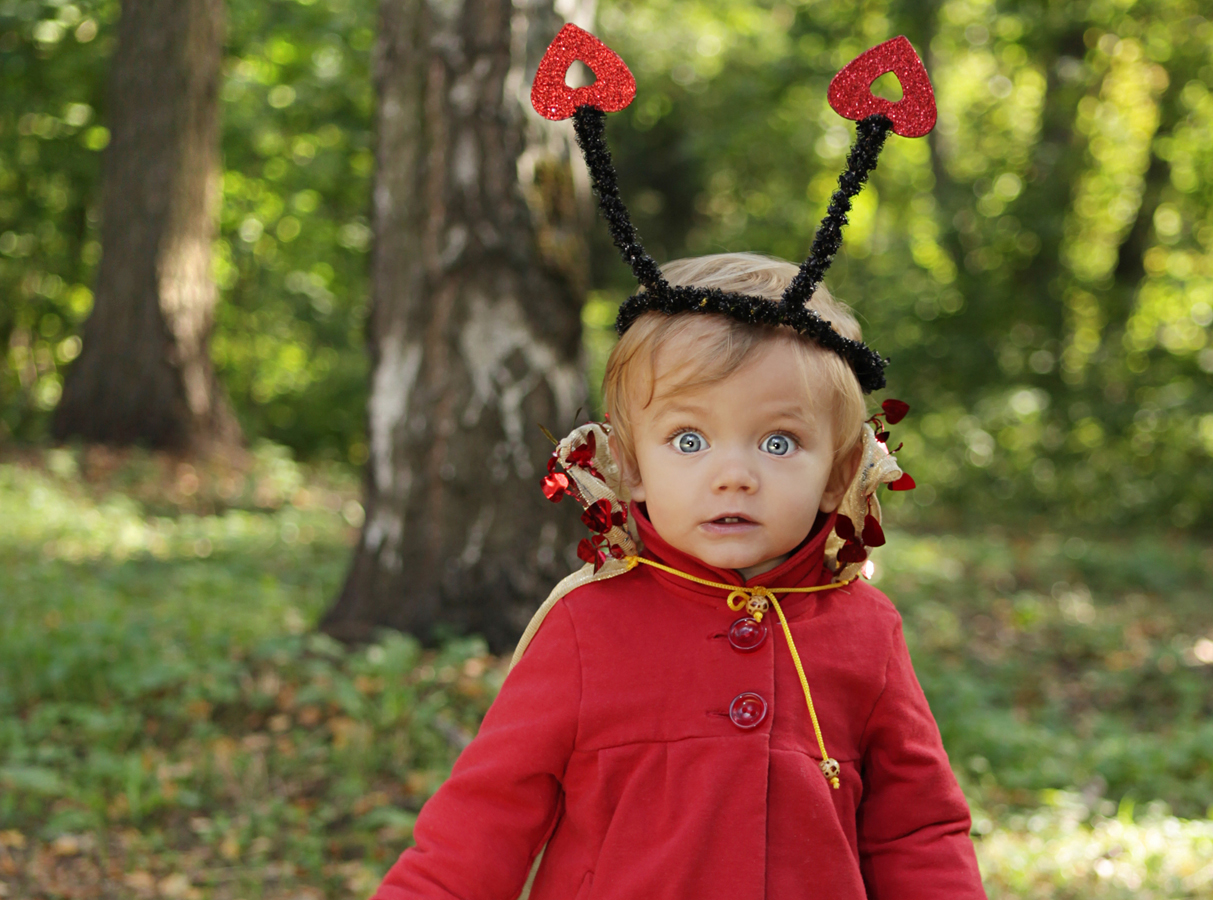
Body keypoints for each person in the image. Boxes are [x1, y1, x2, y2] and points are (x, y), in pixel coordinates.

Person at [371, 253, 987, 900]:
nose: (734, 476)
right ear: (630, 465)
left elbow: (917, 831)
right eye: (689, 440)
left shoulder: (866, 630)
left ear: (839, 474)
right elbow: (481, 823)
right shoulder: (586, 626)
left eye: (778, 442)